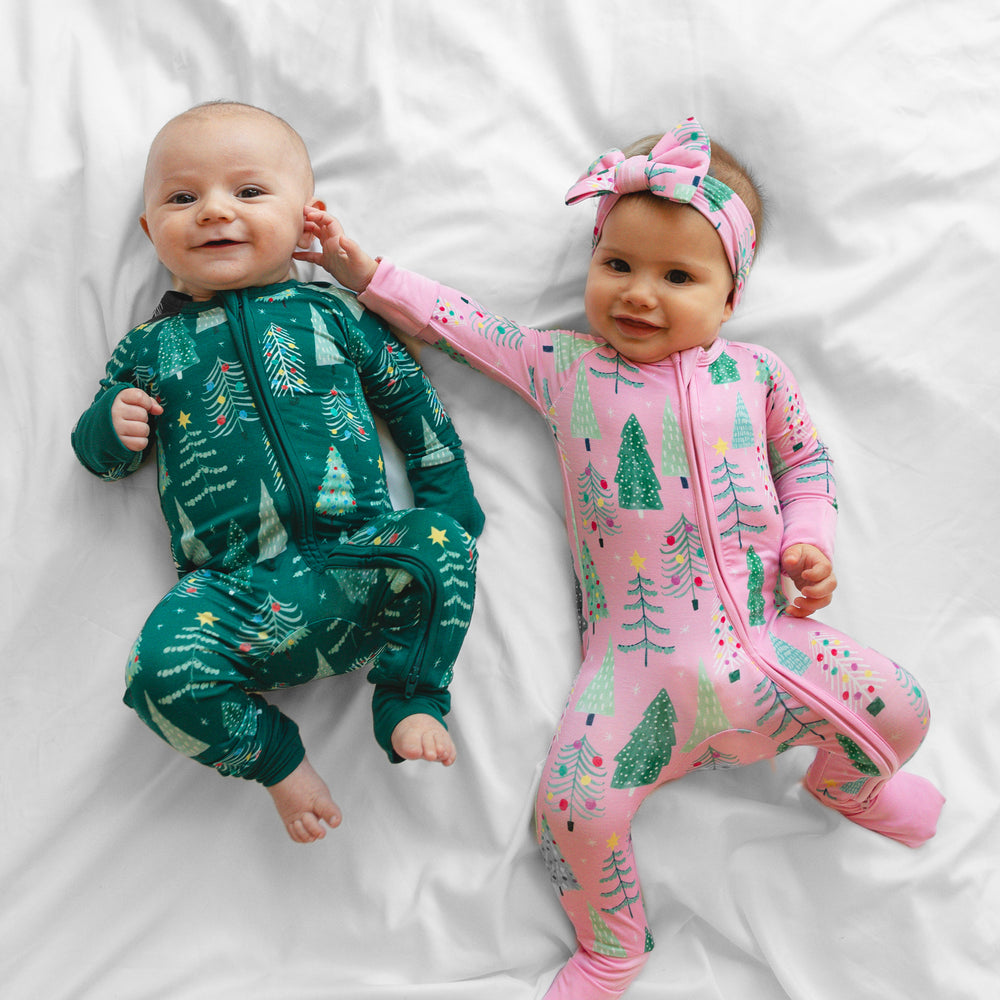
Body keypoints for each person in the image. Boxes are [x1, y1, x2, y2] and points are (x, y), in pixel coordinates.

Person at [299, 116, 945, 996]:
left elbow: (810, 469)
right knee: (569, 813)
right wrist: (360, 269)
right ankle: (614, 945)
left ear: (729, 299)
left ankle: (848, 787)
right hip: (635, 676)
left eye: (677, 276)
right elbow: (463, 327)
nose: (640, 294)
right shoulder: (566, 366)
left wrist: (809, 543)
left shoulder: (755, 376)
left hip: (773, 651)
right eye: (619, 266)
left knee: (905, 709)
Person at [72, 102, 484, 845]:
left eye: (249, 192)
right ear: (148, 232)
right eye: (182, 197)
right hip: (234, 594)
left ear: (306, 219)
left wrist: (448, 500)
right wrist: (111, 425)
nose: (213, 212)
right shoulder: (147, 347)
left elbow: (411, 398)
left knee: (443, 545)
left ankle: (409, 696)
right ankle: (278, 761)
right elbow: (102, 461)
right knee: (157, 673)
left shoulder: (334, 314)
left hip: (360, 556)